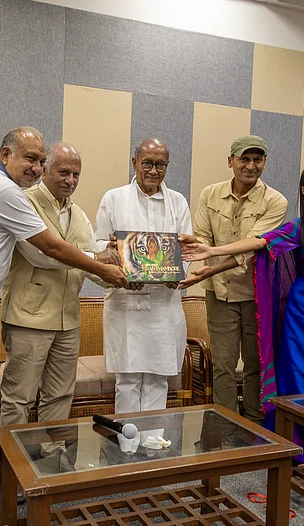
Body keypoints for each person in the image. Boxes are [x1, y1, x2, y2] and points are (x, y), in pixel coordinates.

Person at [0, 127, 127, 526]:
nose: (36, 168)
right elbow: (49, 250)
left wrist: (114, 266)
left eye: (39, 160)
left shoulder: (24, 194)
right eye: (31, 160)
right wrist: (103, 266)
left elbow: (81, 249)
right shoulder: (6, 192)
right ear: (6, 154)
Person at [181, 161, 304, 463]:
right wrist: (213, 252)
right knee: (297, 377)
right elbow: (260, 243)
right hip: (301, 315)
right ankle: (296, 445)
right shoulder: (298, 227)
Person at [0, 142, 118, 453]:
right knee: (20, 396)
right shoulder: (24, 202)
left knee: (60, 394)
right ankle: (15, 462)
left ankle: (51, 458)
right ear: (45, 170)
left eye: (77, 174)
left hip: (68, 319)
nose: (71, 180)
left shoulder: (78, 214)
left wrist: (124, 278)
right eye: (64, 172)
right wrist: (99, 261)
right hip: (29, 317)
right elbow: (44, 255)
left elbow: (94, 267)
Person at [94, 138, 192, 441]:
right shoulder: (113, 198)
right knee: (127, 380)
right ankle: (126, 445)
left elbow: (187, 251)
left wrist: (179, 274)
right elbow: (98, 247)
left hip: (164, 305)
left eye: (160, 164)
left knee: (157, 380)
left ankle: (152, 445)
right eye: (147, 163)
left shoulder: (178, 202)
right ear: (134, 162)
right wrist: (118, 272)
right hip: (126, 303)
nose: (153, 170)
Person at [187, 135, 287, 426]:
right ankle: (227, 428)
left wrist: (212, 260)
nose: (250, 165)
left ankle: (256, 426)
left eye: (257, 160)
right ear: (230, 161)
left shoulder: (275, 201)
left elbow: (255, 245)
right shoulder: (210, 194)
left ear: (265, 164)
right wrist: (200, 259)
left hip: (258, 295)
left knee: (256, 365)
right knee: (223, 365)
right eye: (244, 158)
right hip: (219, 293)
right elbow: (202, 236)